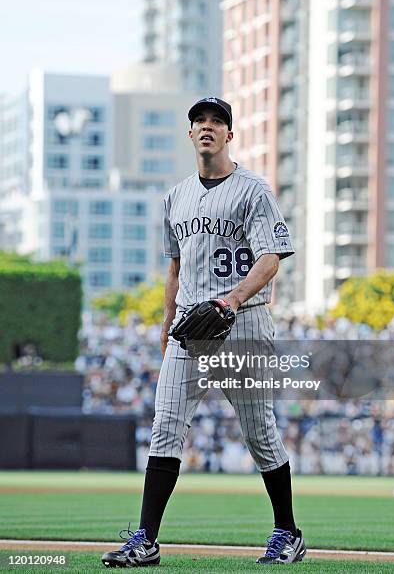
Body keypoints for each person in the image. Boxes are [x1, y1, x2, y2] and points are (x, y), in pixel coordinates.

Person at [102, 97, 306, 567]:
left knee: (260, 432)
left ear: (230, 135)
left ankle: (288, 532)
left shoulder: (253, 189)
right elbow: (175, 266)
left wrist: (231, 299)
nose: (208, 127)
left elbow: (271, 258)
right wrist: (166, 318)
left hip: (245, 319)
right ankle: (146, 541)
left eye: (217, 121)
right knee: (165, 427)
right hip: (192, 325)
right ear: (190, 134)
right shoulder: (175, 197)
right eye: (200, 121)